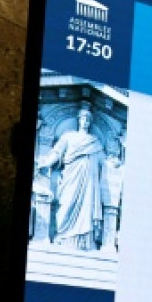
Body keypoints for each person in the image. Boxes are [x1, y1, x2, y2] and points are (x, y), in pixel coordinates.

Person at [40, 106, 105, 250]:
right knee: (66, 205)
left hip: (89, 180)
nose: (85, 121)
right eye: (83, 118)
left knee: (87, 208)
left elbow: (103, 161)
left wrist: (114, 161)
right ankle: (61, 236)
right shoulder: (69, 136)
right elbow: (57, 152)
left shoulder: (94, 141)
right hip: (71, 176)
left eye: (88, 119)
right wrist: (46, 163)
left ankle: (84, 242)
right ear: (78, 119)